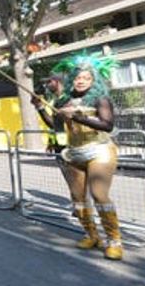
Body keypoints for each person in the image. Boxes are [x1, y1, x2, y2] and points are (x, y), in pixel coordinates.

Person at [35, 53, 123, 260]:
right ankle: (92, 235)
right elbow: (54, 126)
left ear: (94, 79)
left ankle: (114, 240)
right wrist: (39, 108)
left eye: (86, 78)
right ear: (72, 79)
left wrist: (78, 117)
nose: (81, 81)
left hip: (99, 150)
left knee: (99, 194)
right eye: (78, 78)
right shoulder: (64, 100)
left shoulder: (100, 99)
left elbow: (108, 125)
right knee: (78, 198)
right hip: (74, 152)